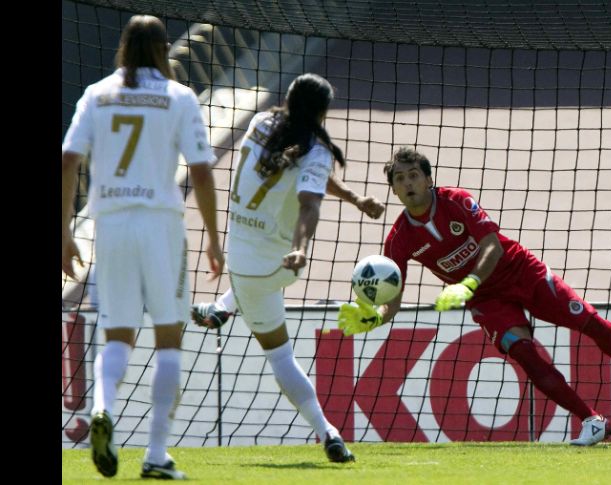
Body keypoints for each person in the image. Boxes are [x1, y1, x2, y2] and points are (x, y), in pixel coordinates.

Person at [337, 147, 611, 446]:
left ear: (428, 179)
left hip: (522, 274)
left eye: (414, 175)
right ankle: (592, 421)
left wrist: (466, 283)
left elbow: (492, 247)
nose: (408, 183)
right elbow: (393, 299)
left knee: (590, 324)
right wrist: (376, 316)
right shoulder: (399, 239)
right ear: (393, 189)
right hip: (487, 301)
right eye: (400, 179)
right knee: (524, 354)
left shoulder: (456, 200)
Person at [62, 15, 224, 479]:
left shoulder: (97, 93)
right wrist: (213, 238)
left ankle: (102, 408)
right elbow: (200, 170)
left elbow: (68, 159)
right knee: (169, 339)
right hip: (161, 226)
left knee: (116, 334)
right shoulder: (178, 97)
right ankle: (155, 455)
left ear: (123, 46)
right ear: (161, 48)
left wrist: (63, 232)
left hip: (109, 224)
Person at [192, 72, 384, 462]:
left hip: (244, 259)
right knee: (279, 353)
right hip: (277, 266)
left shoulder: (262, 123)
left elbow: (305, 175)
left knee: (263, 326)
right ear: (323, 112)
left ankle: (222, 309)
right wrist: (302, 249)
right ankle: (327, 431)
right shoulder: (315, 149)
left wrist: (353, 198)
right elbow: (310, 201)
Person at [191, 171, 385, 329]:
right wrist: (356, 199)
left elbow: (318, 170)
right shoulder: (307, 141)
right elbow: (318, 169)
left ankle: (224, 305)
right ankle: (225, 305)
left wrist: (356, 199)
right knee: (280, 357)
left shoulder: (267, 128)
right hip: (271, 230)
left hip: (256, 222)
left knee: (279, 355)